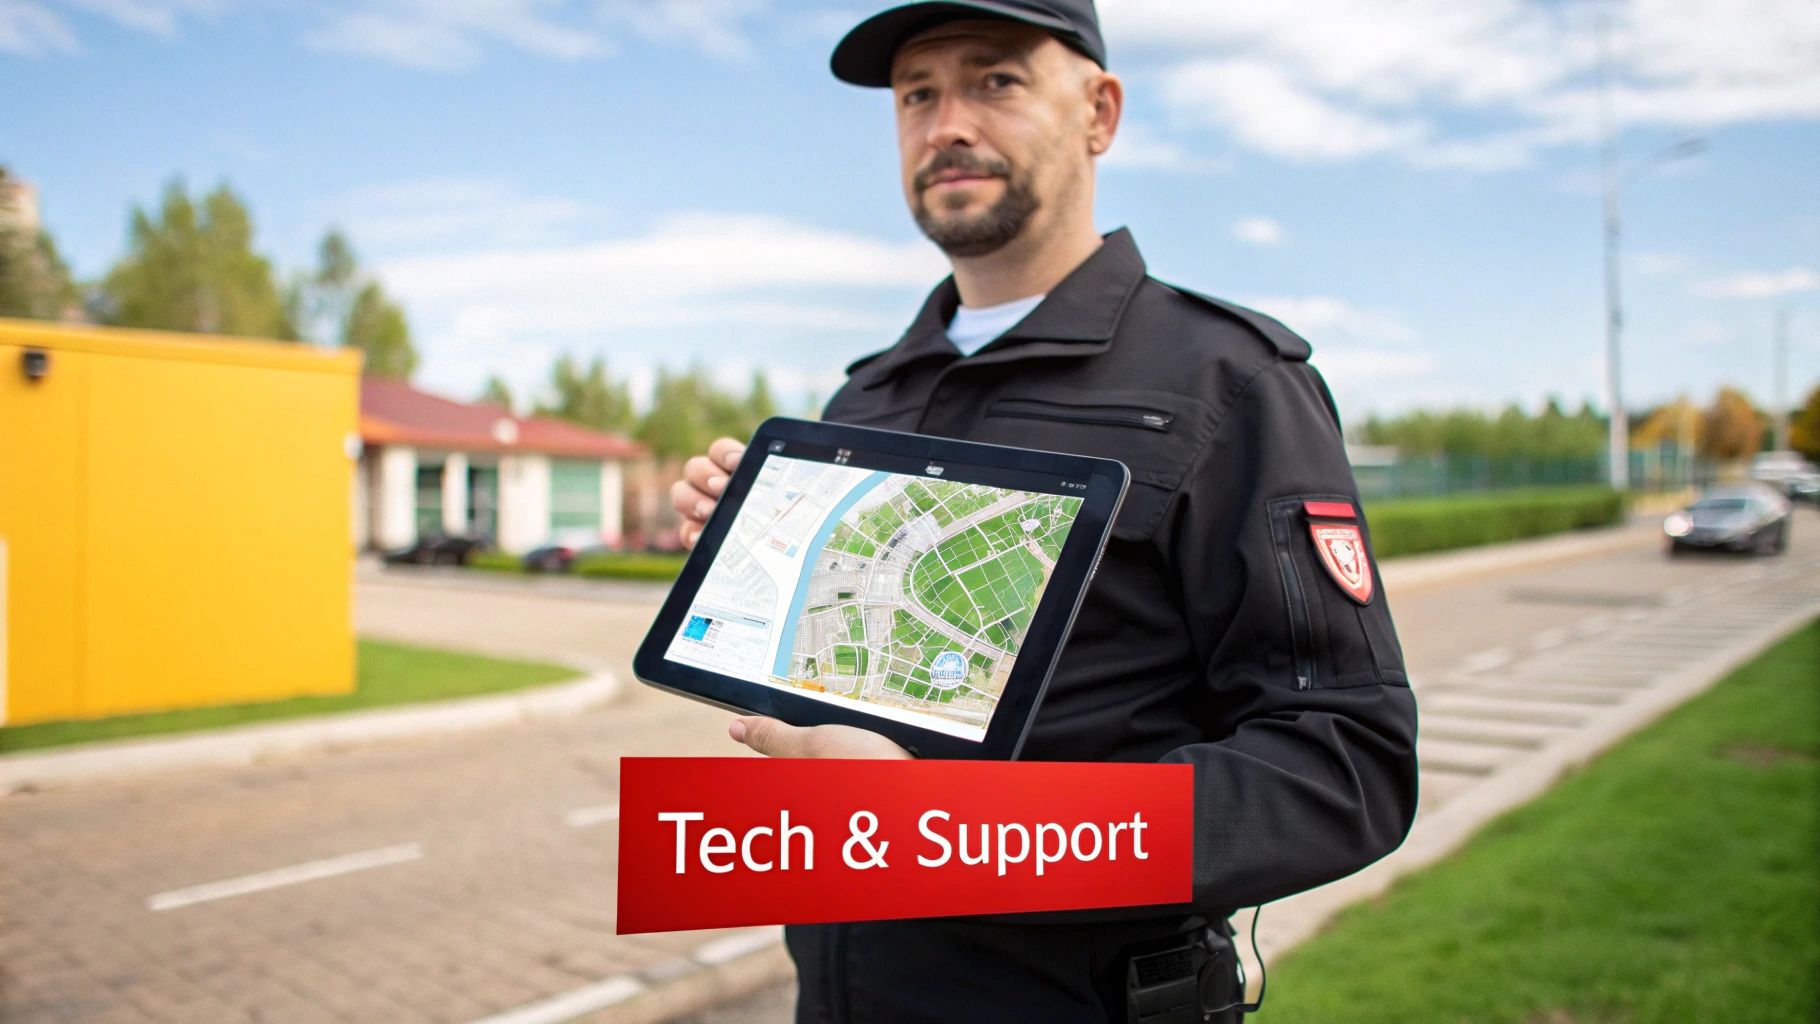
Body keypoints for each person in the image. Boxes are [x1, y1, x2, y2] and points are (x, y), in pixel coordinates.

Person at [668, 2, 1420, 1020]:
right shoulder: (864, 399)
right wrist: (750, 581)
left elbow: (1341, 760)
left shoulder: (1229, 382)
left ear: (1098, 112)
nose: (945, 125)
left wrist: (950, 828)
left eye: (996, 81)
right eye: (916, 94)